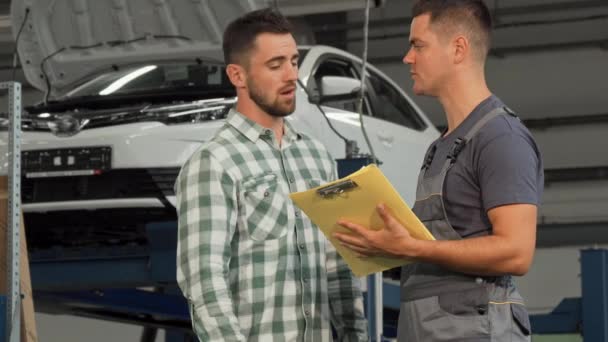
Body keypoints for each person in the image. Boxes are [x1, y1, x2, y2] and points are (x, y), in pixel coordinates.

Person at [334, 0, 543, 341]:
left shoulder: (501, 138)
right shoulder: (440, 147)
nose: (407, 57)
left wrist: (413, 248)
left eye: (418, 45)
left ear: (458, 48)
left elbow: (517, 252)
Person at [175, 8, 368, 342]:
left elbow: (338, 266)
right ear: (238, 76)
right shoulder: (214, 163)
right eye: (275, 65)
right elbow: (205, 283)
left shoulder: (318, 157)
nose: (291, 75)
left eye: (293, 61)